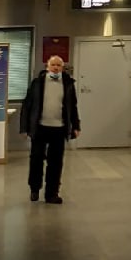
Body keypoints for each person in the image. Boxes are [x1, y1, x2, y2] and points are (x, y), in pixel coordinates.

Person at [20, 55, 80, 205]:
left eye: (59, 65)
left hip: (59, 129)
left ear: (62, 68)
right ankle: (34, 188)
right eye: (53, 65)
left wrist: (76, 126)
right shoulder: (37, 83)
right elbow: (27, 106)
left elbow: (72, 107)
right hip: (40, 127)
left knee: (56, 162)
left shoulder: (68, 84)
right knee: (36, 159)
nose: (56, 68)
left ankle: (52, 193)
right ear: (47, 67)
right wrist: (24, 128)